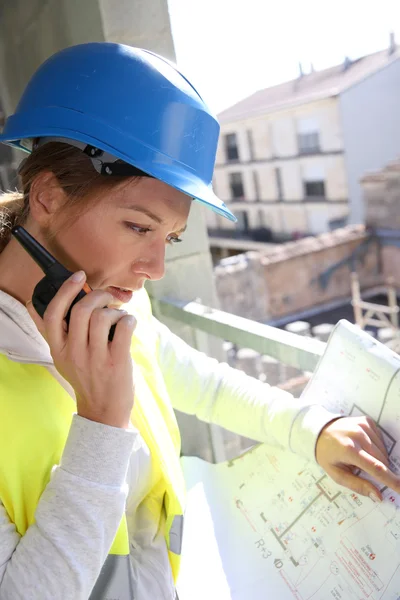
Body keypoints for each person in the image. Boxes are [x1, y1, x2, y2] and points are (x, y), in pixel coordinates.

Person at [0, 43, 397, 600]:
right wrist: (100, 426)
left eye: (171, 238)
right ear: (47, 195)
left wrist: (311, 430)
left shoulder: (114, 304)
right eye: (139, 227)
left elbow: (201, 382)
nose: (155, 268)